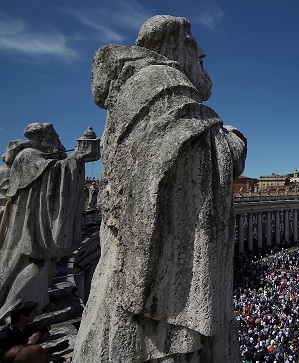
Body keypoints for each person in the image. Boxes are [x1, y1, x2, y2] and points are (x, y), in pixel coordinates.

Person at [73, 15, 246, 363]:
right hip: (158, 299)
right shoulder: (161, 83)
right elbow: (203, 157)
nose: (202, 51)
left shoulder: (140, 87)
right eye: (192, 42)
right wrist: (236, 140)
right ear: (172, 45)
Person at [0, 124, 100, 321]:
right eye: (54, 137)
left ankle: (37, 303)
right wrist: (76, 158)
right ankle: (17, 310)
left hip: (35, 222)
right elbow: (51, 174)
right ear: (44, 137)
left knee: (45, 267)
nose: (58, 143)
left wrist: (75, 159)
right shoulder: (28, 156)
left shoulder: (36, 157)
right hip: (30, 225)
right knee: (32, 267)